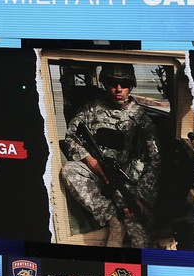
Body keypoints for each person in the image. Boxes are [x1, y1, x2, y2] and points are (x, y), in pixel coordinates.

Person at [61, 63, 160, 248]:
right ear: (105, 84)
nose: (118, 89)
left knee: (138, 228)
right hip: (97, 172)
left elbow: (155, 161)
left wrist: (141, 197)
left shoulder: (141, 120)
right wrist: (90, 161)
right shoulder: (92, 109)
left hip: (126, 181)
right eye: (113, 83)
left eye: (124, 84)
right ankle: (113, 220)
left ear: (131, 86)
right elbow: (71, 137)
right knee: (70, 170)